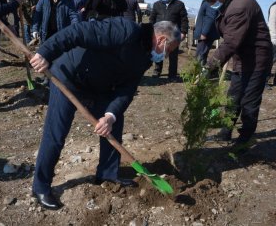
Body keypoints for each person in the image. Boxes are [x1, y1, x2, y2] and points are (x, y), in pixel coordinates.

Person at [29, 17, 181, 210]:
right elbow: (79, 31)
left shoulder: (145, 58)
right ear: (161, 40)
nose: (166, 56)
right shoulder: (126, 30)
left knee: (114, 123)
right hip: (69, 75)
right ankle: (40, 186)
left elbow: (127, 89)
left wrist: (110, 115)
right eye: (169, 50)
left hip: (98, 86)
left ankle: (107, 175)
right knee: (56, 132)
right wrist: (45, 53)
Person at [202, 0, 272, 148]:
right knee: (233, 97)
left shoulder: (239, 6)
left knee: (249, 102)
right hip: (243, 57)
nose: (212, 5)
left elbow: (231, 42)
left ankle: (244, 141)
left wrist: (210, 66)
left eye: (212, 1)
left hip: (257, 60)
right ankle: (225, 133)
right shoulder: (229, 0)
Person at [31, 0, 79, 86]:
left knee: (59, 57)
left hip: (60, 33)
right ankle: (47, 78)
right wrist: (34, 29)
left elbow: (73, 15)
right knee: (45, 56)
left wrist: (76, 28)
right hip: (46, 33)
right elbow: (38, 14)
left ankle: (59, 79)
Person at [149, 0, 188, 81]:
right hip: (159, 34)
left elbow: (184, 19)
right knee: (158, 52)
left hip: (173, 35)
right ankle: (157, 71)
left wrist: (183, 31)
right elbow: (152, 18)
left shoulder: (179, 4)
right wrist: (150, 30)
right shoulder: (157, 4)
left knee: (173, 55)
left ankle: (172, 75)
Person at [194, 0, 220, 65]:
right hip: (204, 34)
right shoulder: (207, 1)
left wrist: (204, 33)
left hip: (206, 35)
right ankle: (200, 74)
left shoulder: (211, 1)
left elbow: (210, 18)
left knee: (200, 55)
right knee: (202, 55)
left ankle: (197, 74)